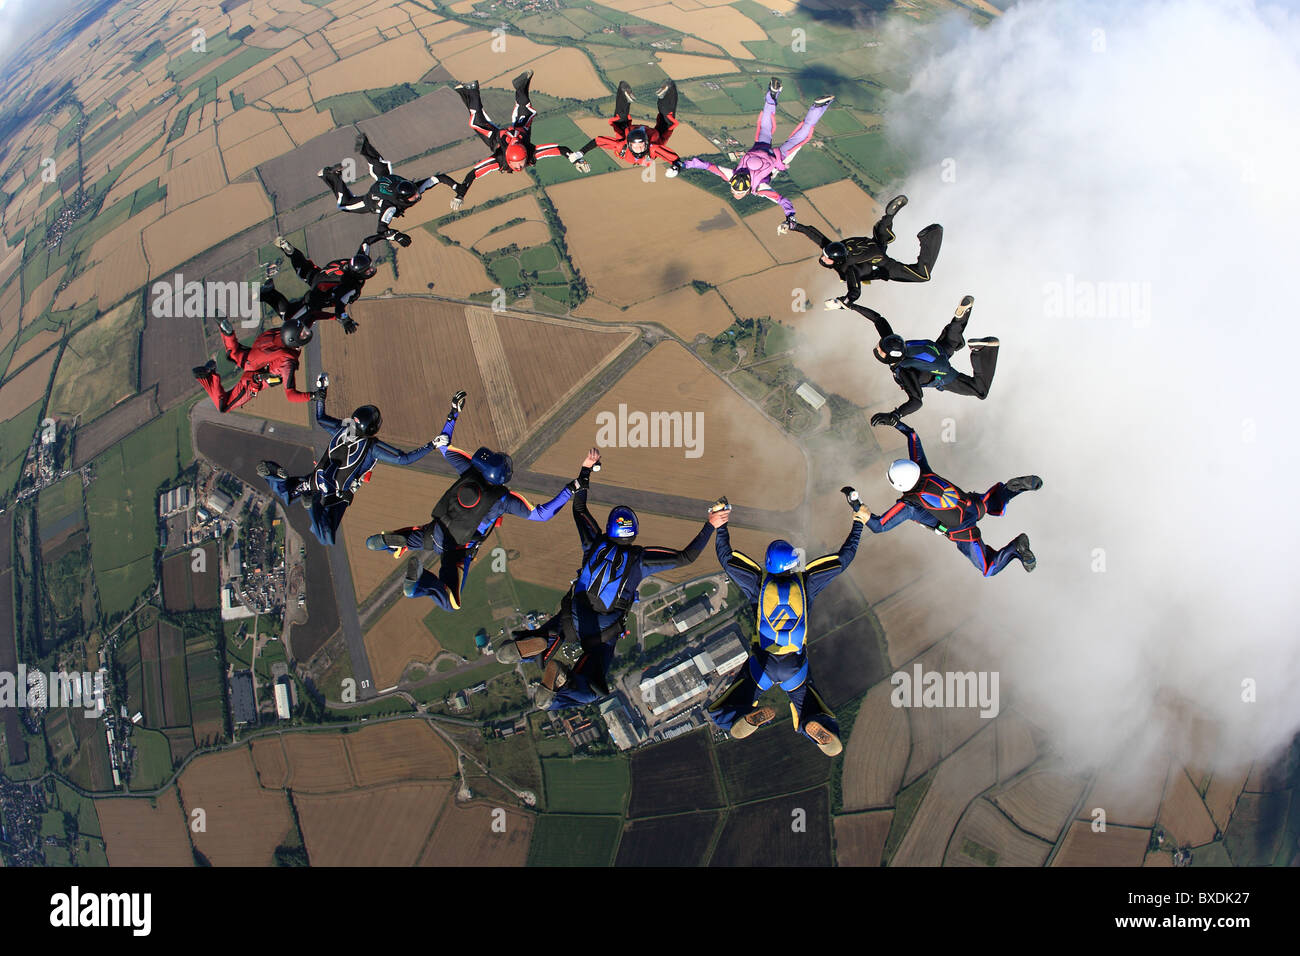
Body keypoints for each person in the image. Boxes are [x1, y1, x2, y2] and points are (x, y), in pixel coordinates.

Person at [494, 449, 728, 710]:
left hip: (574, 613)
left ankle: (530, 644)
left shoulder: (595, 541)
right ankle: (557, 693)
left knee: (552, 633)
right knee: (592, 688)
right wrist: (711, 524)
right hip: (602, 631)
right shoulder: (639, 559)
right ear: (634, 532)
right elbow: (686, 557)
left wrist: (586, 470)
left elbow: (579, 508)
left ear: (609, 527)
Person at [365, 390, 578, 611]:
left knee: (413, 537)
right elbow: (542, 514)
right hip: (458, 548)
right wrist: (571, 489)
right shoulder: (504, 499)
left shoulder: (469, 471)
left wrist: (453, 414)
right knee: (450, 602)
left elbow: (444, 445)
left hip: (436, 530)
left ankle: (393, 542)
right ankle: (417, 585)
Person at [706, 494, 866, 756]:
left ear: (769, 563)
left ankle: (739, 716)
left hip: (764, 664)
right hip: (795, 667)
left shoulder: (759, 585)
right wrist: (858, 523)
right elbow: (843, 559)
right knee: (808, 708)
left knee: (728, 706)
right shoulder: (807, 583)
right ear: (794, 562)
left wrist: (721, 524)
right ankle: (816, 726)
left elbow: (726, 558)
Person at [256, 388, 435, 546]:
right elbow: (404, 459)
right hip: (336, 492)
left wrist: (320, 396)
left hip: (316, 479)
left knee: (288, 492)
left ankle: (275, 477)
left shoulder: (342, 430)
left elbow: (320, 418)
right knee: (325, 535)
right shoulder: (372, 448)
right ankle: (312, 508)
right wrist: (433, 444)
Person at [865, 419, 1041, 577]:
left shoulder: (909, 504)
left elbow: (879, 525)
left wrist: (856, 504)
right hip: (971, 504)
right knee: (991, 502)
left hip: (962, 531)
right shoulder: (923, 469)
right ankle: (1009, 490)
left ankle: (1015, 548)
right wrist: (895, 422)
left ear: (899, 485)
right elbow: (912, 436)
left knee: (988, 568)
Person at [432, 71, 590, 210]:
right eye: (519, 164)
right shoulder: (500, 159)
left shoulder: (529, 152)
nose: (521, 166)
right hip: (498, 139)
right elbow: (473, 174)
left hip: (519, 134)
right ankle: (472, 91)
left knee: (524, 112)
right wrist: (460, 195)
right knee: (478, 123)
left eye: (521, 162)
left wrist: (575, 159)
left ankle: (514, 86)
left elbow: (560, 149)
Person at [679, 77, 833, 219]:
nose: (735, 193)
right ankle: (772, 95)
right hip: (759, 148)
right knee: (766, 125)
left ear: (746, 190)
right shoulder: (731, 175)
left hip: (778, 157)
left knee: (802, 136)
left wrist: (790, 215)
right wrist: (683, 164)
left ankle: (818, 107)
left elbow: (781, 200)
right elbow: (706, 165)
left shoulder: (760, 188)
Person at [851, 297, 999, 425]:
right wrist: (850, 305)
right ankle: (961, 317)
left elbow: (916, 401)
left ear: (892, 356)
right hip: (936, 352)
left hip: (943, 376)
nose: (877, 349)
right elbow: (878, 319)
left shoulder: (904, 372)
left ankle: (981, 350)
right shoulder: (893, 342)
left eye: (881, 351)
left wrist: (895, 415)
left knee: (981, 391)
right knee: (951, 341)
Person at [781, 194, 942, 306]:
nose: (823, 258)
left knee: (922, 275)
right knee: (882, 240)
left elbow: (855, 290)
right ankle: (886, 219)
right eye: (824, 255)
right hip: (870, 247)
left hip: (881, 263)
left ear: (838, 260)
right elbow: (813, 233)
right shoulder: (834, 248)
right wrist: (793, 225)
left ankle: (932, 235)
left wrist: (844, 302)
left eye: (827, 258)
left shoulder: (847, 267)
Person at [317, 133, 437, 246]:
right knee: (345, 204)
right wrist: (396, 235)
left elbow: (437, 179)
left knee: (381, 166)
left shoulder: (403, 190)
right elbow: (381, 229)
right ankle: (330, 175)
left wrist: (456, 188)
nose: (417, 196)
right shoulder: (389, 206)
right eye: (414, 196)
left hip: (385, 182)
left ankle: (364, 146)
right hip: (371, 200)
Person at [259, 234, 381, 334]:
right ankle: (269, 292)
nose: (371, 269)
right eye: (368, 269)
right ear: (358, 273)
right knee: (288, 318)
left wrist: (386, 234)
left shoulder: (356, 261)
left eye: (369, 266)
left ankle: (289, 250)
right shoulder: (350, 287)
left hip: (319, 277)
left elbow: (366, 242)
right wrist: (343, 319)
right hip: (316, 298)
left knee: (302, 266)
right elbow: (339, 305)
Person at [192, 318, 315, 413]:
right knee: (223, 407)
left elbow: (310, 317)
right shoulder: (288, 362)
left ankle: (227, 333)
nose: (306, 332)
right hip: (252, 381)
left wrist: (331, 316)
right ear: (293, 340)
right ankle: (209, 375)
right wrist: (313, 396)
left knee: (233, 354)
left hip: (255, 358)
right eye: (304, 333)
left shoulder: (284, 333)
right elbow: (291, 395)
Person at [570, 80, 682, 174]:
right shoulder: (653, 148)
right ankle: (669, 91)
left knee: (620, 122)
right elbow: (674, 158)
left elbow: (598, 141)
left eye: (641, 146)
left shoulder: (622, 146)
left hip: (637, 134)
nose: (639, 149)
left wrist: (581, 152)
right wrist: (675, 167)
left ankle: (624, 94)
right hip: (647, 135)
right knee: (667, 121)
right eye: (637, 146)